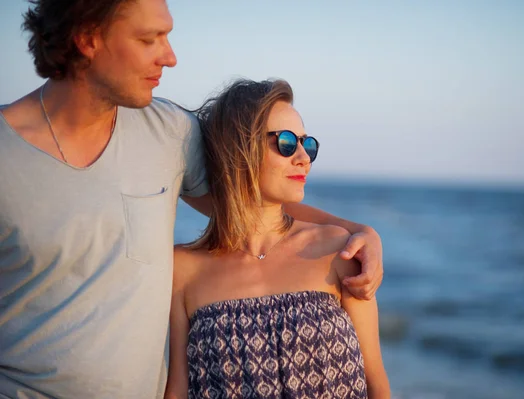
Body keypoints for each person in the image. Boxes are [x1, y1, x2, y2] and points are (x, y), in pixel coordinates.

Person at [0, 1, 383, 398]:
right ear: (88, 39)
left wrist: (359, 232)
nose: (170, 57)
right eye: (149, 39)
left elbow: (249, 193)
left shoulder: (169, 133)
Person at [164, 79, 390, 399]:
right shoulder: (183, 270)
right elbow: (178, 390)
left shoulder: (339, 250)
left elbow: (376, 382)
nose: (303, 157)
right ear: (238, 149)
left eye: (306, 144)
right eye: (286, 142)